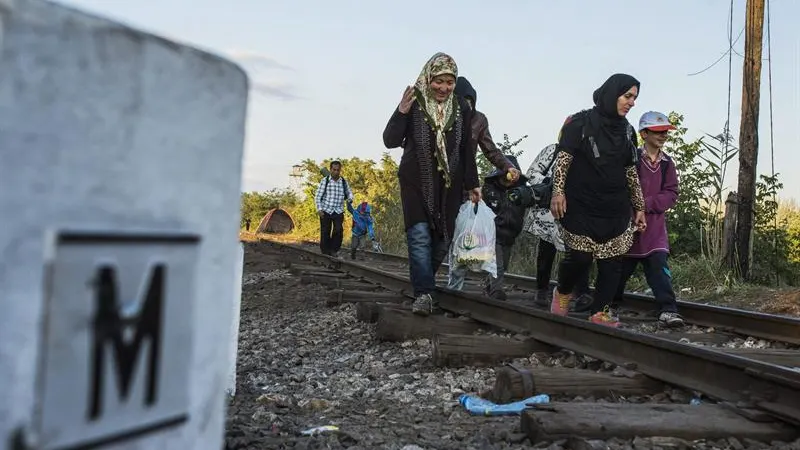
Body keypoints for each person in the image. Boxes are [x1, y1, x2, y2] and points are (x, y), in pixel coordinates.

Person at [382, 52, 480, 316]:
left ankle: (422, 279)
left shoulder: (462, 107)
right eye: (439, 81)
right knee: (420, 236)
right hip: (416, 180)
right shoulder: (414, 102)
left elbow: (466, 149)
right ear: (429, 77)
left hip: (450, 186)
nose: (443, 88)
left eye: (449, 82)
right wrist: (401, 111)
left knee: (443, 241)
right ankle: (424, 293)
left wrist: (473, 183)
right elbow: (390, 140)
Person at [549, 73, 647, 328]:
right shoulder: (579, 123)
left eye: (635, 98)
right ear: (611, 94)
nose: (632, 102)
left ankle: (600, 311)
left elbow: (631, 171)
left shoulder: (627, 131)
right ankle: (562, 292)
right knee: (580, 256)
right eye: (627, 96)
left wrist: (639, 207)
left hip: (614, 206)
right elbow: (563, 160)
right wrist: (558, 192)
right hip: (580, 204)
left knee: (612, 262)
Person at [614, 111, 684, 327]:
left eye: (665, 132)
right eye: (657, 132)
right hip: (628, 227)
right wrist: (633, 207)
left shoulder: (667, 164)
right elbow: (619, 188)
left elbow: (672, 192)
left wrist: (646, 203)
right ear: (644, 134)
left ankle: (668, 309)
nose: (663, 135)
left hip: (654, 229)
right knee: (618, 271)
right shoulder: (631, 158)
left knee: (659, 269)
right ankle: (610, 305)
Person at [448, 155, 527, 300]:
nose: (507, 181)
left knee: (504, 264)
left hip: (510, 234)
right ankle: (496, 291)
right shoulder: (489, 190)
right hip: (493, 233)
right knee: (498, 265)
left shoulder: (521, 193)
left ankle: (489, 285)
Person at [521, 144, 591, 307]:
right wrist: (551, 183)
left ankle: (582, 293)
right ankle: (542, 289)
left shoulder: (589, 155)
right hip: (549, 210)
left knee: (580, 251)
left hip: (577, 209)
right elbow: (532, 173)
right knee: (547, 249)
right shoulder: (553, 150)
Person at [454, 77, 520, 183]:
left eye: (470, 101)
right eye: (464, 101)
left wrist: (508, 166)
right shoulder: (442, 116)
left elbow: (491, 150)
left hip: (465, 178)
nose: (468, 105)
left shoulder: (479, 120)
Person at [314, 160, 353, 257]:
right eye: (334, 170)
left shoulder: (343, 182)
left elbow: (349, 193)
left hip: (338, 210)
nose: (336, 172)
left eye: (338, 170)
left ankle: (334, 249)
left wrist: (350, 199)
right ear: (330, 170)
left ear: (340, 170)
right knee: (325, 231)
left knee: (338, 230)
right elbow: (318, 196)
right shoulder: (325, 181)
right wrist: (319, 209)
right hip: (326, 210)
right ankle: (325, 252)